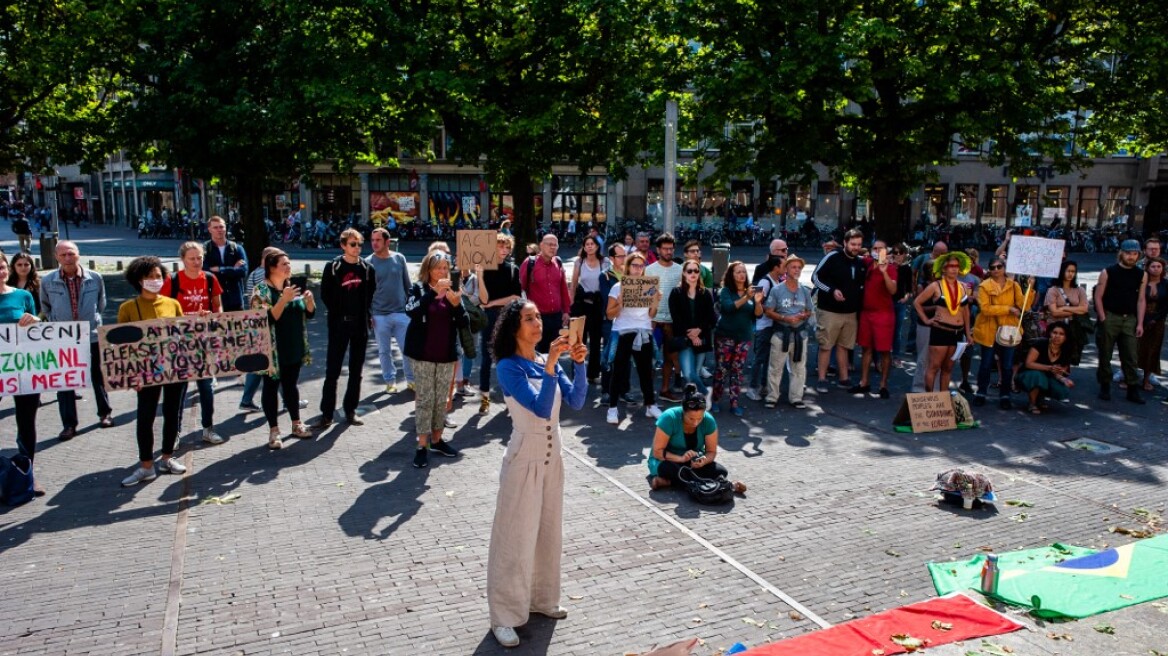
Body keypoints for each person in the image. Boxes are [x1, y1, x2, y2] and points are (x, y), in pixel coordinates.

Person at [486, 300, 588, 649]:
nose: (537, 324)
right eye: (528, 319)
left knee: (548, 533)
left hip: (552, 457)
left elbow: (575, 400)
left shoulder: (545, 360)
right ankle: (504, 615)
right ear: (514, 328)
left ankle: (543, 600)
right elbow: (541, 408)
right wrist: (552, 364)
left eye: (537, 318)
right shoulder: (508, 367)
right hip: (523, 457)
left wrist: (579, 364)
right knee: (514, 538)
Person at [117, 256, 188, 487]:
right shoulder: (127, 308)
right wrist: (131, 374)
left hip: (173, 369)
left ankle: (167, 457)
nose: (155, 280)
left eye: (158, 276)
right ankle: (146, 465)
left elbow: (182, 335)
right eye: (149, 277)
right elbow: (120, 346)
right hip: (145, 372)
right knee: (145, 417)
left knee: (172, 412)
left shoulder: (172, 304)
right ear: (139, 280)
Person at [41, 241, 115, 439]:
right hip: (63, 337)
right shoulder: (47, 281)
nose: (67, 258)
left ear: (78, 255)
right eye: (63, 254)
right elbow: (46, 307)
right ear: (56, 257)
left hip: (90, 334)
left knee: (97, 375)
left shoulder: (95, 278)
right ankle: (69, 424)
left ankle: (105, 413)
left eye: (71, 254)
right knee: (64, 381)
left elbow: (102, 304)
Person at [404, 251, 467, 468]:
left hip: (446, 356)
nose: (442, 272)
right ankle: (422, 445)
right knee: (425, 400)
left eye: (445, 268)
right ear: (428, 270)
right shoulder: (418, 289)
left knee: (441, 401)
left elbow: (465, 322)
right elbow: (410, 311)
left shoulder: (452, 291)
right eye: (437, 267)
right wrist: (433, 294)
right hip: (422, 356)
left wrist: (457, 305)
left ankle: (437, 440)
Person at [161, 242, 225, 445]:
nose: (197, 262)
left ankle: (208, 428)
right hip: (178, 343)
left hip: (202, 342)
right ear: (183, 260)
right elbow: (162, 311)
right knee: (178, 392)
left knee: (206, 388)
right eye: (192, 258)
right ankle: (175, 433)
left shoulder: (209, 278)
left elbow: (218, 307)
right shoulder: (172, 280)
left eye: (199, 258)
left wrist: (212, 317)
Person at [251, 250, 315, 449]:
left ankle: (296, 423)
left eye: (289, 263)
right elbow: (265, 319)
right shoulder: (261, 291)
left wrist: (310, 303)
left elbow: (308, 315)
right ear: (272, 268)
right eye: (284, 264)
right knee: (270, 387)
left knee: (291, 385)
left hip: (293, 346)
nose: (288, 267)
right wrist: (283, 300)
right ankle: (274, 430)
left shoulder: (291, 287)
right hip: (272, 349)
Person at [313, 228, 376, 428]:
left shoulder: (367, 268)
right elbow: (326, 294)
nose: (357, 248)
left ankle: (350, 410)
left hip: (359, 324)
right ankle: (327, 413)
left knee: (356, 370)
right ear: (343, 246)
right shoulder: (333, 267)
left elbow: (370, 292)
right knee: (333, 370)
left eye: (359, 244)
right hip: (339, 324)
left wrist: (366, 315)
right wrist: (338, 314)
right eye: (352, 244)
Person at [648, 383, 747, 495]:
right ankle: (727, 486)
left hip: (691, 462)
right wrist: (680, 458)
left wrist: (703, 460)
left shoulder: (708, 420)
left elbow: (711, 452)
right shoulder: (669, 417)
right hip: (667, 460)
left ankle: (669, 482)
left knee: (721, 471)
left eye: (699, 418)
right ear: (683, 412)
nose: (695, 423)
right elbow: (657, 452)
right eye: (691, 418)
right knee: (672, 469)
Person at [0, 254, 43, 493]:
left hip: (22, 366)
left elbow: (35, 329)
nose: (1, 272)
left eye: (2, 267)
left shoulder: (23, 296)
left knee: (26, 421)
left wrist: (35, 320)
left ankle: (28, 473)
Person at [605, 252, 662, 424]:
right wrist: (621, 304)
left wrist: (655, 302)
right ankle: (612, 408)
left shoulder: (649, 286)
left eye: (641, 265)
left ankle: (650, 405)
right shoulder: (618, 287)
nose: (638, 269)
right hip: (623, 332)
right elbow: (609, 315)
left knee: (646, 371)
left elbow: (651, 315)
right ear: (628, 267)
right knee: (619, 371)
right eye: (634, 265)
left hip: (643, 331)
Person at [811, 229, 865, 392]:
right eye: (853, 244)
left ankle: (844, 378)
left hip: (850, 312)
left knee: (844, 346)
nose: (856, 247)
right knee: (826, 345)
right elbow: (815, 277)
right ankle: (822, 378)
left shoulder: (861, 262)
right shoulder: (832, 257)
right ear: (845, 243)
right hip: (829, 310)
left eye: (859, 245)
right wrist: (831, 290)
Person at [1094, 239, 1147, 403]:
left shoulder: (1141, 274)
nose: (1131, 257)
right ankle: (1105, 384)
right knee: (1105, 353)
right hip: (1111, 316)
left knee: (1130, 355)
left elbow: (1141, 299)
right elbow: (1098, 296)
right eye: (1128, 253)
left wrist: (1139, 323)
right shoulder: (1108, 272)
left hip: (1129, 318)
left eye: (1134, 254)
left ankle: (1132, 387)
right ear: (1121, 253)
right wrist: (1103, 316)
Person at [913, 251, 973, 393]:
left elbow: (965, 311)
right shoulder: (936, 286)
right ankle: (931, 398)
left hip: (957, 333)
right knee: (934, 366)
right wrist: (926, 320)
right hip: (940, 330)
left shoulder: (963, 287)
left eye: (956, 266)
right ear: (944, 269)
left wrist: (968, 333)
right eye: (950, 266)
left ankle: (943, 400)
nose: (954, 269)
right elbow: (917, 302)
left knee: (948, 368)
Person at [478, 233, 523, 414]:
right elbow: (483, 299)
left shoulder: (513, 269)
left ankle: (510, 398)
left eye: (507, 247)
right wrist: (480, 277)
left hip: (507, 318)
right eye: (500, 246)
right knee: (486, 359)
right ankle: (485, 398)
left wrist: (493, 303)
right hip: (488, 319)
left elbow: (515, 297)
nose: (504, 251)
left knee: (508, 357)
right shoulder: (485, 268)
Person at [763, 256, 815, 410]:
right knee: (775, 367)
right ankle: (772, 397)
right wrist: (785, 318)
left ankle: (796, 397)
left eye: (799, 268)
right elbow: (768, 311)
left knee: (799, 368)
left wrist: (803, 316)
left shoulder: (804, 291)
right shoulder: (777, 290)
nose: (797, 270)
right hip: (781, 334)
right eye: (793, 267)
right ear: (786, 269)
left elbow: (809, 310)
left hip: (800, 335)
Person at [971, 257, 1024, 408]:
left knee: (1007, 365)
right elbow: (985, 309)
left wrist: (1030, 288)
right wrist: (1008, 309)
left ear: (1004, 268)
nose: (995, 270)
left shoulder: (1014, 285)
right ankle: (981, 392)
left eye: (999, 267)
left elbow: (1023, 306)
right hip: (989, 329)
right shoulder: (984, 286)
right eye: (992, 267)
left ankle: (1005, 395)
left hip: (1008, 330)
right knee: (986, 364)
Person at [713, 261, 764, 415]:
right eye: (738, 272)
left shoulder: (751, 291)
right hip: (725, 336)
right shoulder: (726, 291)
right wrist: (745, 297)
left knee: (737, 371)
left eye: (743, 272)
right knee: (722, 370)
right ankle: (715, 400)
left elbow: (758, 314)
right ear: (731, 275)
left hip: (744, 338)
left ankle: (734, 403)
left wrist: (757, 301)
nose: (742, 275)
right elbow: (728, 308)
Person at [367, 228, 413, 393]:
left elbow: (408, 285)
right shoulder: (368, 262)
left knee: (407, 349)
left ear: (387, 242)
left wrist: (411, 308)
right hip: (379, 315)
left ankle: (411, 380)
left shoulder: (399, 258)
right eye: (372, 240)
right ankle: (390, 381)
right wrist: (369, 314)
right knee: (384, 351)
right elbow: (366, 293)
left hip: (401, 313)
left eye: (378, 240)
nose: (374, 243)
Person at [238, 246, 283, 411]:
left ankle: (247, 399)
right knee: (267, 365)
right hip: (263, 327)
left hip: (255, 323)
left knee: (260, 366)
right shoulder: (262, 276)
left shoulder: (254, 273)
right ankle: (287, 400)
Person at [852, 241, 898, 398]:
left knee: (885, 350)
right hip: (866, 313)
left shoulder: (891, 268)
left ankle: (883, 384)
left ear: (886, 251)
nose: (877, 251)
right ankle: (864, 382)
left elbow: (892, 290)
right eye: (875, 248)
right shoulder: (868, 263)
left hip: (883, 314)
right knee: (866, 348)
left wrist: (884, 272)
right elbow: (852, 254)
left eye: (880, 249)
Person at [669, 258, 716, 399]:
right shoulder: (676, 293)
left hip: (702, 339)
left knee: (694, 374)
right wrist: (691, 335)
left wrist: (699, 331)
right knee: (689, 373)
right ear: (684, 273)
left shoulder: (705, 294)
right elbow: (676, 318)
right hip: (685, 338)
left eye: (696, 271)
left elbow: (711, 318)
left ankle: (695, 404)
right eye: (689, 271)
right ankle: (706, 394)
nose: (693, 273)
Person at [646, 233, 683, 402]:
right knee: (649, 359)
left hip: (673, 322)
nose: (669, 251)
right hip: (653, 322)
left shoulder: (680, 269)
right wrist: (648, 319)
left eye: (671, 248)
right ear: (658, 250)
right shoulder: (649, 270)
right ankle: (648, 393)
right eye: (665, 248)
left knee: (670, 357)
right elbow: (644, 296)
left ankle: (665, 389)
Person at [519, 233, 571, 352]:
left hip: (557, 316)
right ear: (541, 246)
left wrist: (566, 311)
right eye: (549, 244)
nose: (553, 247)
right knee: (538, 353)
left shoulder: (558, 262)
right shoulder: (529, 263)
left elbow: (563, 288)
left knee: (555, 351)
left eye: (555, 245)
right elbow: (520, 289)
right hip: (537, 317)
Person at [569, 234, 607, 382]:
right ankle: (577, 374)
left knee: (596, 341)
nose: (589, 246)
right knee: (578, 340)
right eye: (587, 244)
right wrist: (570, 304)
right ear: (584, 247)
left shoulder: (604, 262)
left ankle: (593, 374)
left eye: (592, 244)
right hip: (581, 305)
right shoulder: (579, 262)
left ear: (597, 246)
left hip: (597, 305)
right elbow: (573, 284)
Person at [910, 241, 948, 391]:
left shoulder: (943, 285)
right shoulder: (924, 286)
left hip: (940, 326)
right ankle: (919, 388)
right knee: (924, 359)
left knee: (937, 361)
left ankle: (935, 388)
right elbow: (919, 305)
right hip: (926, 326)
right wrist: (935, 309)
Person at [1017, 322, 1075, 414]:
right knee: (1038, 376)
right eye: (1055, 333)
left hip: (1048, 376)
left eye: (1061, 334)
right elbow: (1028, 364)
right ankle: (1032, 403)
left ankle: (1040, 398)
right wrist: (1049, 368)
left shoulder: (1067, 349)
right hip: (1028, 374)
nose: (1057, 336)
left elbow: (1059, 371)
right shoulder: (1041, 343)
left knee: (1062, 390)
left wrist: (1064, 379)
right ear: (1050, 333)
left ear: (1066, 337)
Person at [1044, 260, 1090, 366]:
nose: (1070, 274)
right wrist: (1075, 310)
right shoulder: (1053, 290)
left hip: (1073, 327)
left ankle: (1063, 377)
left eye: (1073, 271)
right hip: (1056, 328)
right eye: (1068, 271)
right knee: (1054, 354)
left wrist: (1064, 308)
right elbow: (1054, 312)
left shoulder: (1079, 290)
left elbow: (1084, 309)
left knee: (1069, 356)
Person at [202, 215, 248, 311]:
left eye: (221, 227)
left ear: (225, 228)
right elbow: (204, 272)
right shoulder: (204, 249)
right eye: (215, 227)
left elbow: (243, 271)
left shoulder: (236, 248)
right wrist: (232, 269)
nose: (219, 230)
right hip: (214, 300)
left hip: (235, 299)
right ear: (209, 229)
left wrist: (219, 269)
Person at [1138, 257, 1167, 392]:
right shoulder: (1142, 282)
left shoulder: (1166, 284)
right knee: (1136, 348)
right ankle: (1129, 378)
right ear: (1148, 268)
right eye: (1153, 266)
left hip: (1158, 321)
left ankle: (1146, 379)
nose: (1156, 269)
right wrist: (1144, 320)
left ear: (1163, 269)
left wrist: (1155, 318)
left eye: (1158, 266)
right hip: (1141, 319)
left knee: (1152, 350)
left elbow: (1166, 306)